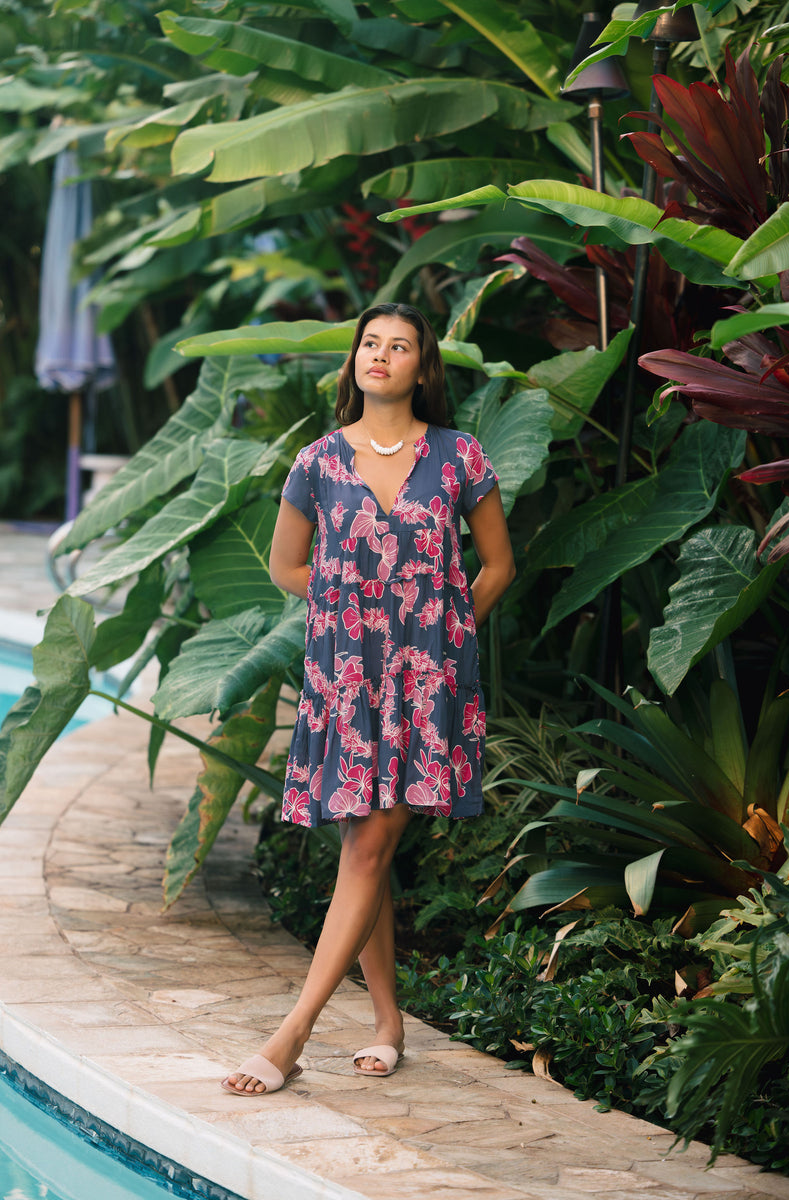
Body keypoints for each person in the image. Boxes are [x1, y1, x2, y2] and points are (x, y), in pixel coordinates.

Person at [222, 302, 515, 1095]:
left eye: (400, 346)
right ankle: (388, 1023)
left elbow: (496, 566)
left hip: (424, 680)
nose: (380, 355)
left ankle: (291, 1035)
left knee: (368, 846)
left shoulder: (459, 456)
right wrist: (350, 611)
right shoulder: (317, 462)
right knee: (365, 845)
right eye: (370, 344)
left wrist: (441, 638)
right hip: (347, 678)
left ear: (425, 367)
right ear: (354, 361)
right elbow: (289, 567)